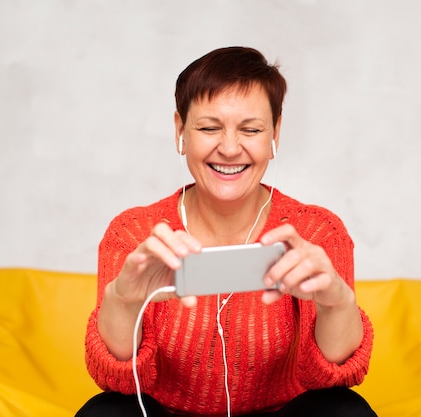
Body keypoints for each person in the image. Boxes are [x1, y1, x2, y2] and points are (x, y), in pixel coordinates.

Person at [76, 46, 376, 417]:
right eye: (208, 128)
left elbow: (336, 378)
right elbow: (118, 381)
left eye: (250, 130)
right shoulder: (133, 234)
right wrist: (123, 300)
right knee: (106, 412)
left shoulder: (318, 232)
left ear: (275, 133)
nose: (230, 148)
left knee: (344, 410)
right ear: (180, 130)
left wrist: (337, 302)